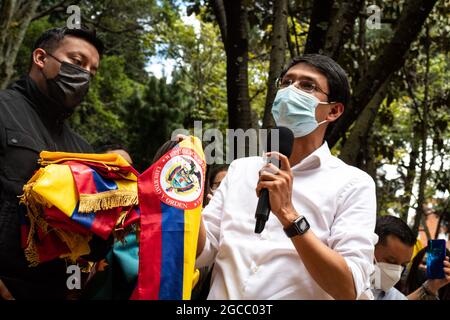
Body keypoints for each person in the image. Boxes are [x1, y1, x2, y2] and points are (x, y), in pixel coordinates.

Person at [196, 54, 378, 299]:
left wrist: (289, 216)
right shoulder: (240, 170)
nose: (291, 90)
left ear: (333, 111)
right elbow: (203, 252)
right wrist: (186, 199)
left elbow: (348, 288)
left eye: (307, 86)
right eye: (286, 82)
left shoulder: (354, 185)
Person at [0, 26, 104, 300]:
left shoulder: (83, 150)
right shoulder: (4, 110)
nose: (83, 76)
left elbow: (89, 235)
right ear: (40, 58)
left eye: (91, 72)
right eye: (77, 62)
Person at [371, 215, 450, 300]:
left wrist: (431, 286)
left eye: (403, 265)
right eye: (391, 261)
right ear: (370, 248)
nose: (396, 272)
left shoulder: (385, 292)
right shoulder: (357, 281)